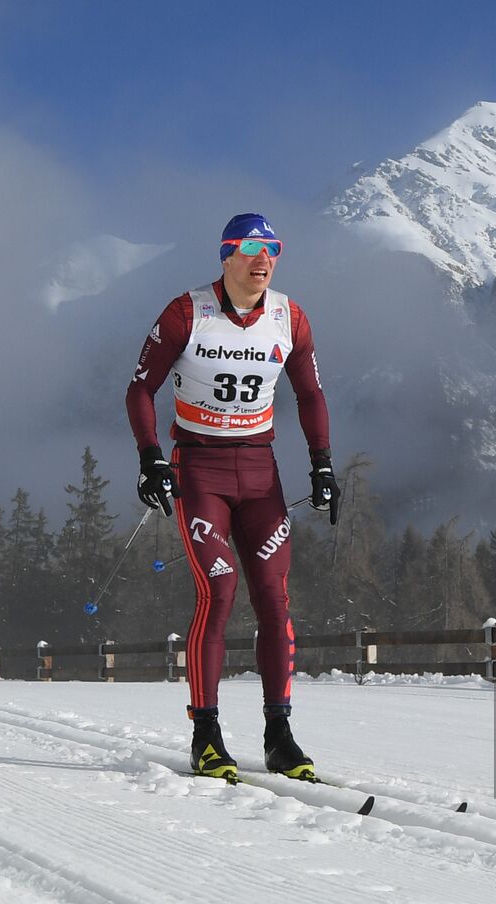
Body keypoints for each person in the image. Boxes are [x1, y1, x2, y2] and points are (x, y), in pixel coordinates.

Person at [125, 212, 340, 783]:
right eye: (249, 249)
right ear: (226, 256)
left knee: (274, 599)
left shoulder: (288, 317)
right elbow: (141, 388)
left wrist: (323, 466)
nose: (262, 259)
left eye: (272, 249)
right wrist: (149, 456)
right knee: (219, 592)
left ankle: (280, 734)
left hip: (261, 476)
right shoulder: (186, 312)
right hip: (200, 472)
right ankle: (206, 734)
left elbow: (310, 393)